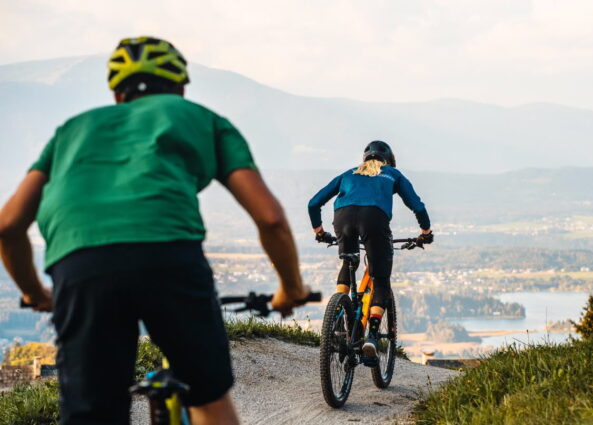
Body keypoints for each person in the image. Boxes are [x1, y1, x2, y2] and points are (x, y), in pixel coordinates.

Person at [0, 36, 310, 425]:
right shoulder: (204, 119)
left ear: (117, 94)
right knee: (207, 396)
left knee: (92, 414)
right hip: (169, 257)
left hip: (82, 267)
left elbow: (8, 226)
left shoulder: (72, 130)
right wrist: (291, 288)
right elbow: (271, 218)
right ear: (181, 88)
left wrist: (34, 292)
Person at [308, 140, 433, 360]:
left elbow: (313, 203)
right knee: (381, 280)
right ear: (389, 161)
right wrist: (425, 233)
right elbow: (418, 206)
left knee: (349, 262)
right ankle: (372, 337)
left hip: (343, 219)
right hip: (374, 220)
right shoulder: (392, 174)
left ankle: (338, 317)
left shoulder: (348, 174)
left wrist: (319, 232)